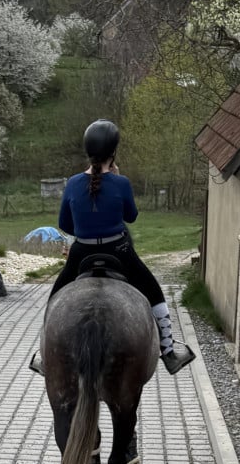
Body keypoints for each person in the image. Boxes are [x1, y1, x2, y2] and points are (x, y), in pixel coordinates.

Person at [30, 120, 195, 375]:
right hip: (120, 250)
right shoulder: (122, 183)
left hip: (81, 252)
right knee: (154, 292)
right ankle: (169, 350)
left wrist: (85, 227)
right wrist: (116, 183)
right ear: (113, 152)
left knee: (55, 299)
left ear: (88, 151)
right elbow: (131, 216)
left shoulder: (72, 183)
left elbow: (64, 224)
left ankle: (45, 356)